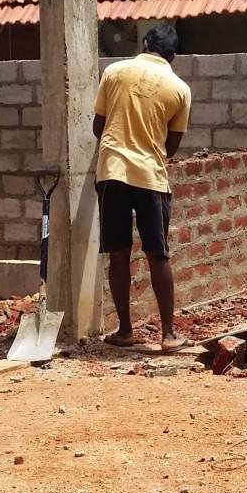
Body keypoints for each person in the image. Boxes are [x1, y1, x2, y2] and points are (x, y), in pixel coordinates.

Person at [92, 23, 192, 351]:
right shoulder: (179, 89)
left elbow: (98, 126)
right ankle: (168, 335)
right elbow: (171, 147)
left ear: (145, 43)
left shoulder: (114, 72)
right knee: (157, 255)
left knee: (119, 254)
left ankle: (124, 330)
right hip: (150, 177)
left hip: (112, 172)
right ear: (173, 56)